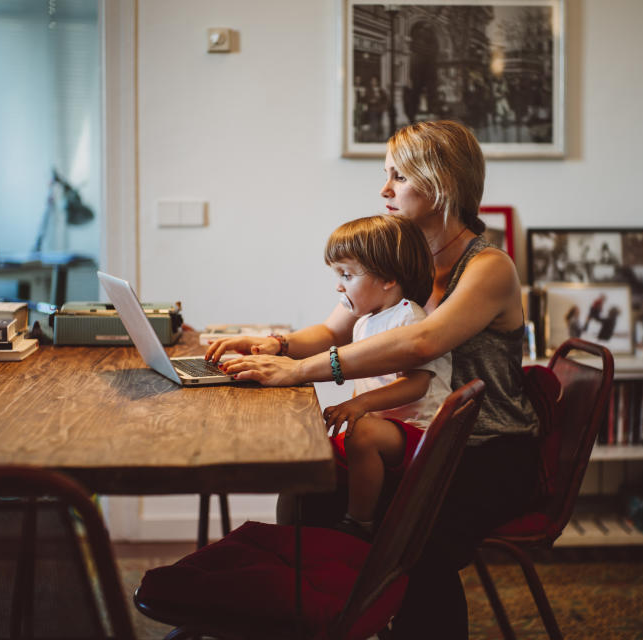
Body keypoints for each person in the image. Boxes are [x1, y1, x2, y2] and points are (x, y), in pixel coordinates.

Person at [205, 120, 540, 639]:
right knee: (313, 495)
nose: (385, 190)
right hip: (425, 441)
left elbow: (422, 343)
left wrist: (298, 371)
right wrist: (274, 345)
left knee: (411, 544)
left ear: (442, 182)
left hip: (488, 452)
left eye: (399, 177)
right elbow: (335, 329)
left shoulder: (489, 267)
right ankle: (323, 623)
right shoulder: (402, 258)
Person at [321, 215, 452, 541]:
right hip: (389, 427)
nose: (339, 285)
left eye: (347, 275)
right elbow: (367, 382)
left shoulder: (409, 318)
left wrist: (361, 406)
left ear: (388, 278)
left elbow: (417, 383)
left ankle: (360, 522)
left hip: (421, 434)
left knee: (360, 432)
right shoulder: (365, 321)